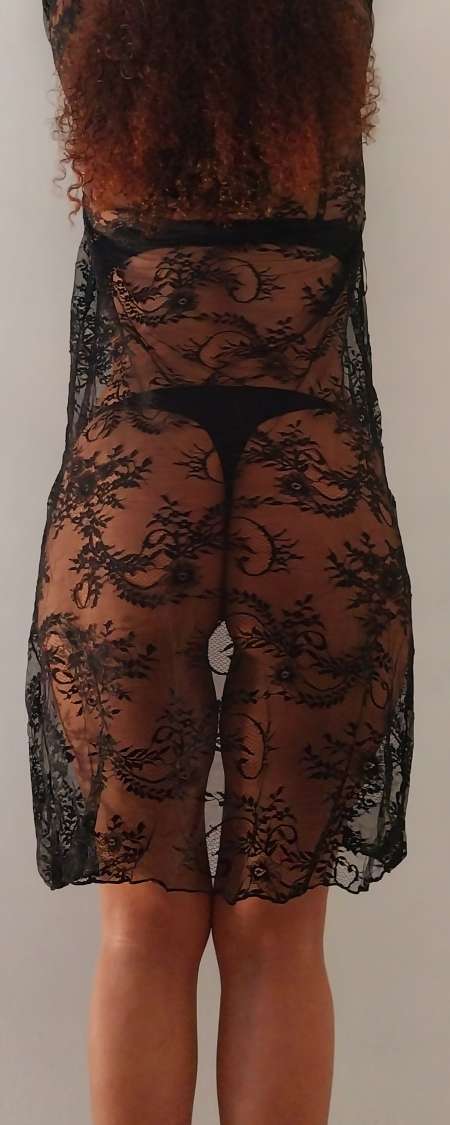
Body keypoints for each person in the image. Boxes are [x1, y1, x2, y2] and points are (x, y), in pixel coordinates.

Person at [26, 3, 415, 1123]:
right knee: (279, 931)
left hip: (135, 485)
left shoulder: (85, 19)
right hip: (315, 485)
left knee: (142, 928)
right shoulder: (336, 19)